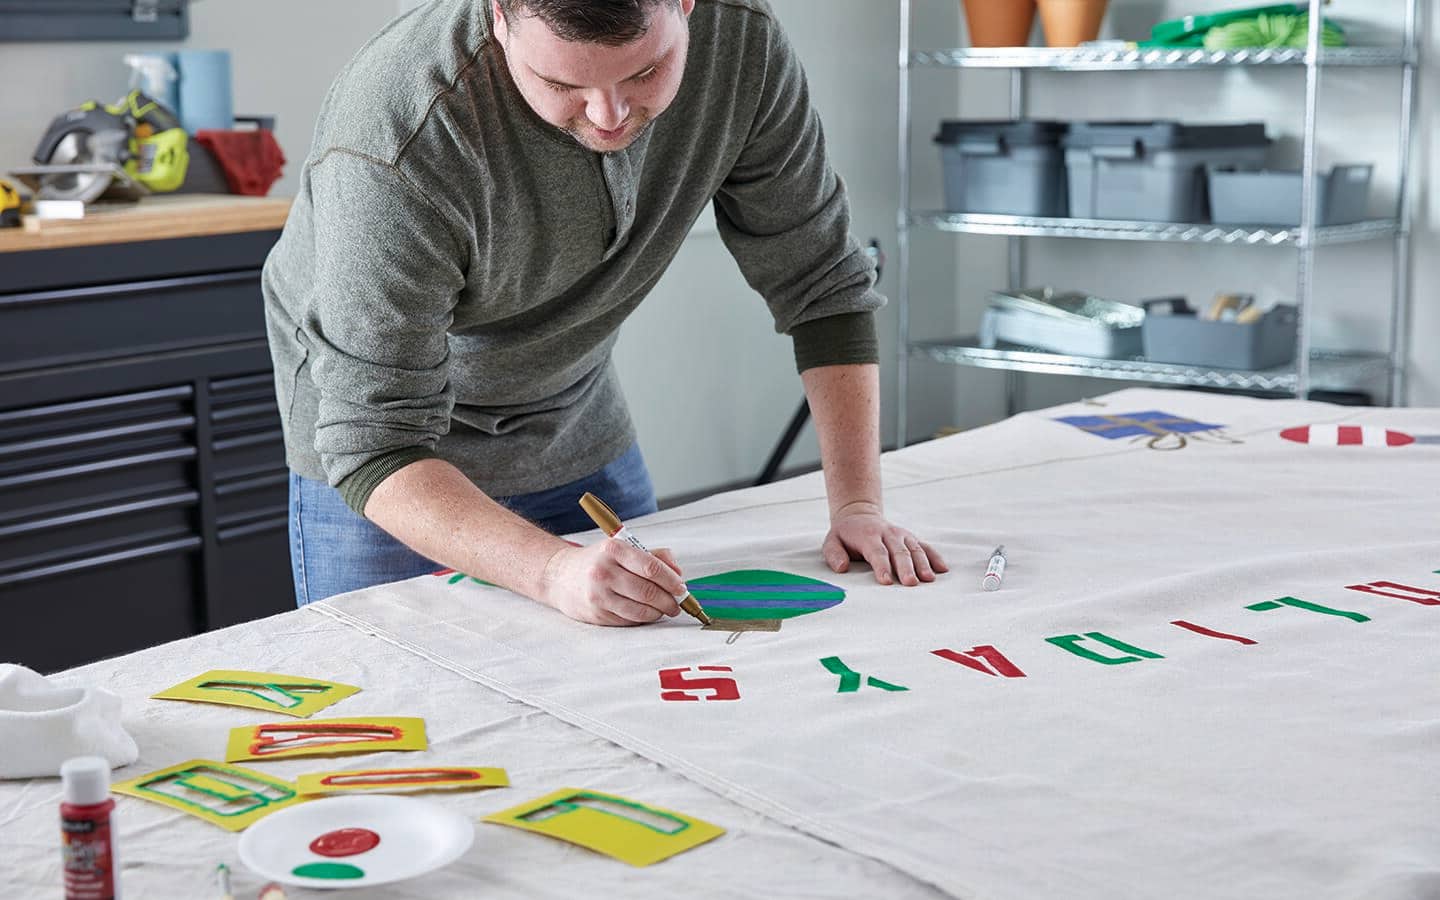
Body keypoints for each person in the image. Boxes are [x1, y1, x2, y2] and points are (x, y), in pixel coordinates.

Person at [263, 0, 949, 624]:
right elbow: (373, 441)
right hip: (393, 468)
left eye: (646, 72)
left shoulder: (741, 41)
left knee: (644, 674)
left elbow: (821, 281)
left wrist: (858, 505)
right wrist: (555, 571)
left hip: (574, 414)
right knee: (407, 717)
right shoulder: (396, 138)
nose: (610, 117)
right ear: (500, 16)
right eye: (563, 86)